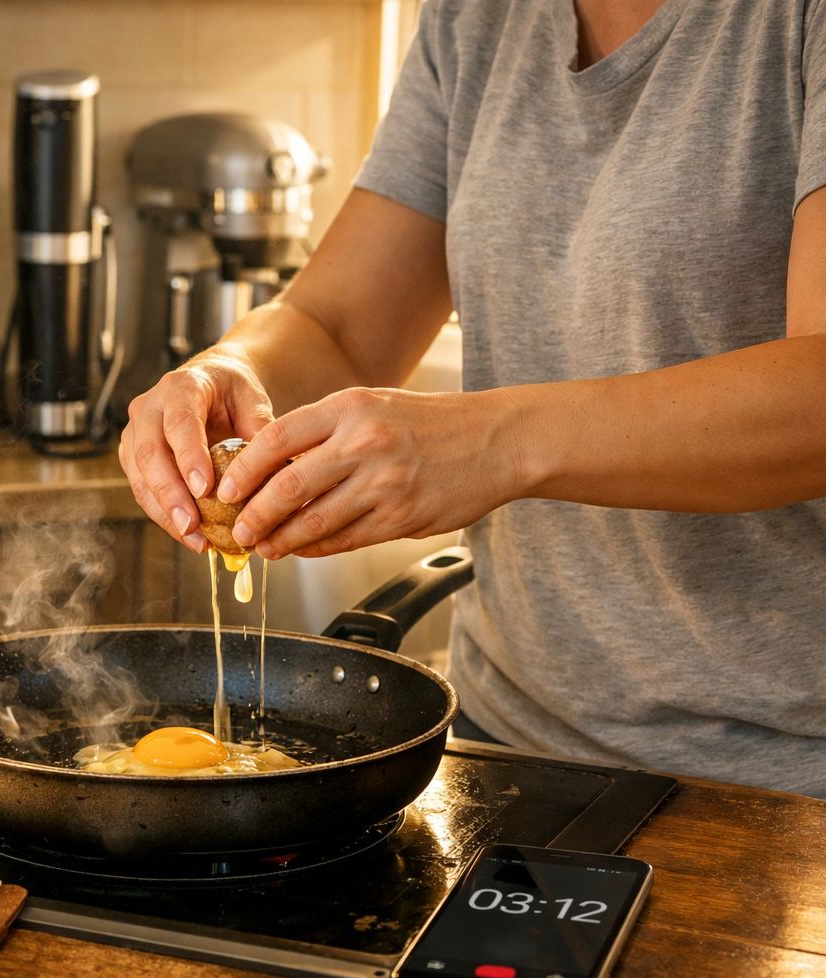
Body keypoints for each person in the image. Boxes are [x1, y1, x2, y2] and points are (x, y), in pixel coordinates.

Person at [119, 0, 826, 799]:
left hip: (783, 780)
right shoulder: (475, 15)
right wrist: (225, 370)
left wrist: (494, 444)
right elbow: (337, 324)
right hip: (508, 743)